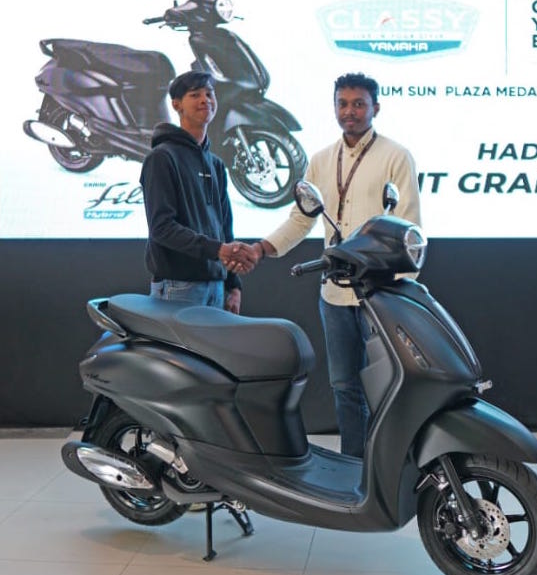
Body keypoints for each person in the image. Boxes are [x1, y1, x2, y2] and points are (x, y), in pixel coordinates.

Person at [250, 72, 421, 457]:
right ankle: (354, 466)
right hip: (335, 294)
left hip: (380, 296)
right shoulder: (322, 160)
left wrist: (401, 294)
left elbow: (410, 228)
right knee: (345, 387)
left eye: (359, 104)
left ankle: (390, 466)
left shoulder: (396, 156)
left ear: (376, 108)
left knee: (388, 386)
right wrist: (261, 248)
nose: (350, 112)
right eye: (343, 104)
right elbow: (301, 220)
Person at [140, 70, 258, 313]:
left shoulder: (216, 164)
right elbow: (162, 227)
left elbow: (225, 228)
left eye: (209, 94)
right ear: (176, 105)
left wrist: (233, 285)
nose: (205, 100)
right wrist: (218, 250)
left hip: (217, 287)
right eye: (195, 95)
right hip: (178, 287)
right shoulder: (161, 158)